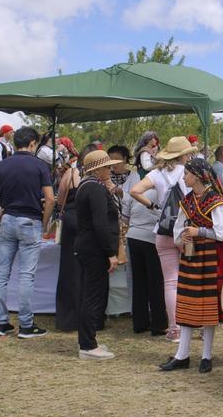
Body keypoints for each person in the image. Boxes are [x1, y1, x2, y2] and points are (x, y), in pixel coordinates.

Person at [0, 126, 55, 338]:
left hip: (7, 219)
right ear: (33, 144)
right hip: (30, 220)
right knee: (26, 275)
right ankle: (26, 325)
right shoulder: (40, 166)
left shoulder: (1, 165)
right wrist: (44, 223)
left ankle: (1, 323)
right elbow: (51, 198)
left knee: (1, 273)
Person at [159, 158, 223, 374]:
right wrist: (182, 238)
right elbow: (178, 228)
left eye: (187, 174)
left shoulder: (215, 200)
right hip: (192, 257)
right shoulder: (188, 200)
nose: (184, 177)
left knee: (208, 307)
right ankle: (182, 355)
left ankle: (206, 356)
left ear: (198, 175)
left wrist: (199, 232)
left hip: (211, 259)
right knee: (187, 304)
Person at [129, 136, 198, 343]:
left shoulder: (156, 174)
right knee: (192, 279)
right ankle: (195, 323)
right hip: (186, 232)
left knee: (170, 282)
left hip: (164, 231)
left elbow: (135, 191)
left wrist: (153, 207)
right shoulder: (189, 174)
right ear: (184, 155)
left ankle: (174, 329)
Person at [73, 150, 124, 360]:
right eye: (106, 167)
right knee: (93, 296)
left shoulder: (86, 186)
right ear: (98, 169)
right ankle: (87, 344)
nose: (110, 170)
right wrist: (110, 253)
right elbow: (100, 224)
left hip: (87, 246)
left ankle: (88, 339)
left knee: (90, 294)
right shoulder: (94, 188)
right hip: (95, 248)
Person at [122, 151, 167, 336]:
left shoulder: (135, 187)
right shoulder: (162, 189)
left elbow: (125, 217)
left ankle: (139, 322)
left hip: (133, 236)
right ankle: (158, 323)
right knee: (156, 282)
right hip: (151, 237)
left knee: (138, 282)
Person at [54, 145, 97, 331]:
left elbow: (60, 198)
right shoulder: (96, 177)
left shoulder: (71, 172)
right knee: (88, 270)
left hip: (70, 220)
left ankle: (67, 318)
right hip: (88, 222)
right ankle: (85, 317)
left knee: (68, 270)